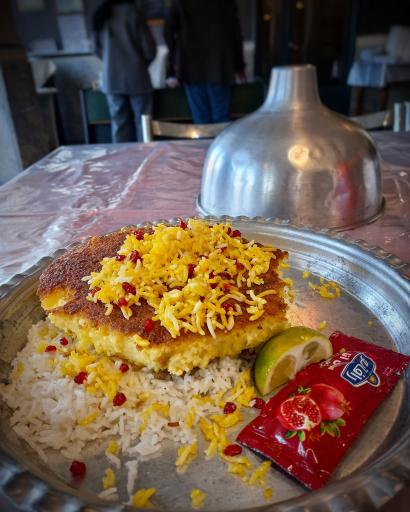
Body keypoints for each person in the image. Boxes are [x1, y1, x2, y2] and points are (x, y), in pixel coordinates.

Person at [164, 0, 246, 124]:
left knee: (200, 122)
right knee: (221, 121)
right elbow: (236, 35)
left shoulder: (180, 2)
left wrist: (172, 67)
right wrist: (240, 67)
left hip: (191, 67)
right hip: (220, 67)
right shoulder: (227, 3)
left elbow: (168, 32)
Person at [92, 0, 156, 142]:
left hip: (112, 78)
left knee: (119, 125)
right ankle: (146, 155)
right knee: (144, 125)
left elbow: (96, 49)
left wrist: (110, 62)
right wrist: (140, 64)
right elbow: (149, 50)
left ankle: (122, 156)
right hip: (137, 77)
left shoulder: (101, 14)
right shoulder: (134, 13)